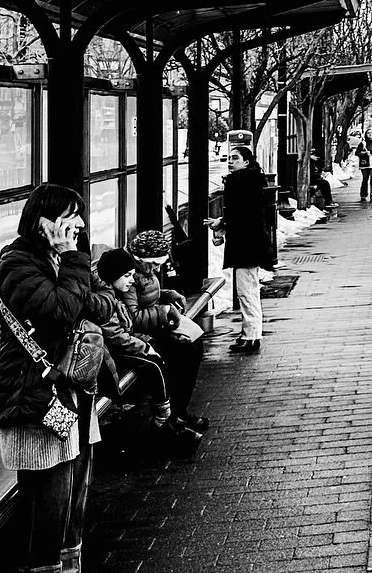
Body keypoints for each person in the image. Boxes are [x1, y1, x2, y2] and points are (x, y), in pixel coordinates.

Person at [0, 183, 116, 573]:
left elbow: (106, 303)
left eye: (79, 217)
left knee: (74, 494)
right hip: (35, 397)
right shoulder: (17, 262)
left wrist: (75, 282)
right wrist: (75, 266)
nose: (77, 225)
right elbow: (60, 311)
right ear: (42, 221)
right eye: (68, 216)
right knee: (48, 498)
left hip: (74, 394)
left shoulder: (64, 260)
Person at [93, 248, 200, 456]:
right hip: (114, 354)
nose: (131, 280)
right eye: (127, 276)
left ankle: (170, 417)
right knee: (154, 365)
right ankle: (164, 420)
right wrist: (145, 345)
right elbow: (117, 335)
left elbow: (124, 329)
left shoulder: (113, 293)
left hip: (125, 344)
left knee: (176, 351)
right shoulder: (105, 300)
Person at [128, 229, 208, 429]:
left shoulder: (144, 270)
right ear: (140, 258)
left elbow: (147, 297)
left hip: (152, 328)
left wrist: (167, 295)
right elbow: (132, 317)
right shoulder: (129, 275)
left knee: (193, 346)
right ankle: (173, 415)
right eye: (153, 263)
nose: (155, 269)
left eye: (159, 264)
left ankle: (179, 410)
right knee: (181, 351)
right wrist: (163, 311)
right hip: (139, 334)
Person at [216, 143, 271, 354]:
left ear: (246, 162)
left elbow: (240, 215)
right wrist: (222, 222)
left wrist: (222, 223)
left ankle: (252, 335)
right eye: (230, 158)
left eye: (235, 158)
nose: (230, 161)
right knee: (247, 290)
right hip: (249, 243)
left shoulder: (240, 183)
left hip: (245, 245)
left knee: (246, 292)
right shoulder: (249, 182)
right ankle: (248, 332)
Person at [356, 133, 372, 203]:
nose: (370, 134)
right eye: (368, 133)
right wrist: (364, 153)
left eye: (371, 133)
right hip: (365, 163)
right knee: (365, 179)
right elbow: (357, 153)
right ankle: (363, 195)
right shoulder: (363, 143)